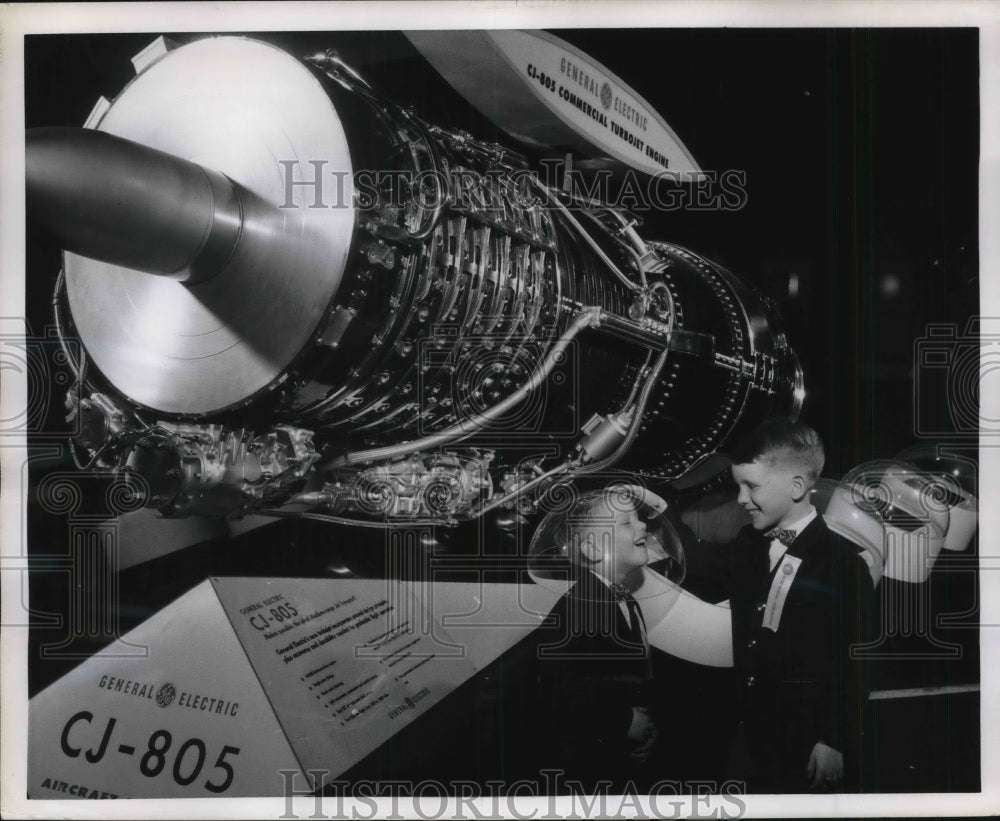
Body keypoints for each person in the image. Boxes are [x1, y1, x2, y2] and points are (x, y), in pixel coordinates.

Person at [679, 418, 876, 793]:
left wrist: (834, 739)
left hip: (805, 740)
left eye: (751, 487)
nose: (740, 499)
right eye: (738, 486)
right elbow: (696, 571)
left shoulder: (842, 564)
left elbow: (856, 660)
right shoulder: (746, 545)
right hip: (747, 732)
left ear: (798, 486)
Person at [527, 487, 658, 791]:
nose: (643, 526)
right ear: (593, 549)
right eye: (627, 523)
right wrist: (623, 722)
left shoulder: (624, 599)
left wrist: (645, 731)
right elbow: (559, 692)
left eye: (638, 518)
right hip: (586, 777)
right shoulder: (578, 609)